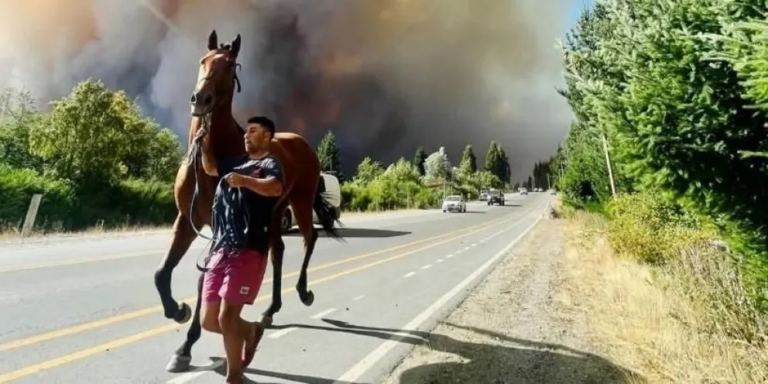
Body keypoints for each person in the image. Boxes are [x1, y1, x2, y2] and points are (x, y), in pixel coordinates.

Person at [198, 115, 284, 383]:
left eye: (253, 131)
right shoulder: (236, 163)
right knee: (208, 321)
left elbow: (275, 188)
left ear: (267, 137)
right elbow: (211, 167)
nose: (246, 135)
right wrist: (202, 142)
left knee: (226, 318)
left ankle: (234, 376)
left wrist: (245, 182)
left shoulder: (269, 163)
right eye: (245, 132)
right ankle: (251, 330)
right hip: (222, 248)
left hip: (249, 249)